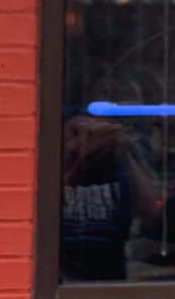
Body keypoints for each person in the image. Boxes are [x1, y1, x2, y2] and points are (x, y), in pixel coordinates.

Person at [60, 116, 152, 281]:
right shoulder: (61, 162)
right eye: (82, 133)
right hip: (62, 276)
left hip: (111, 277)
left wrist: (122, 151)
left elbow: (150, 208)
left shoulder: (119, 165)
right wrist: (77, 158)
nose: (92, 140)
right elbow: (47, 205)